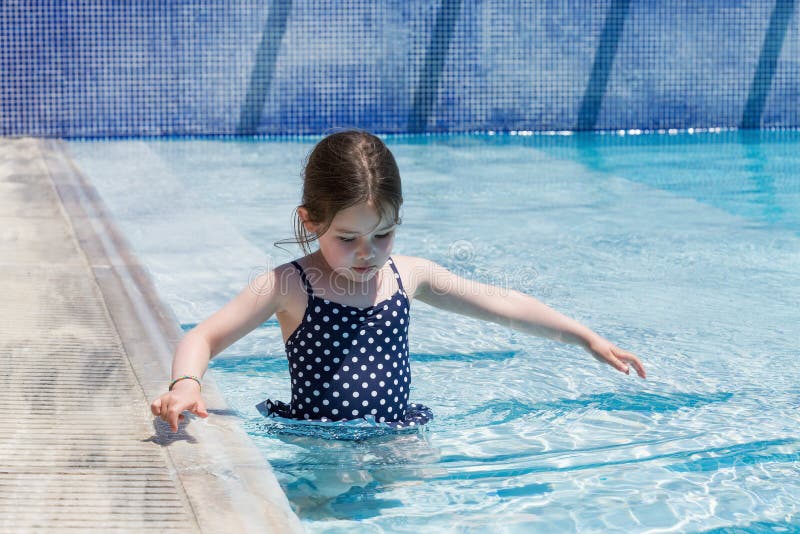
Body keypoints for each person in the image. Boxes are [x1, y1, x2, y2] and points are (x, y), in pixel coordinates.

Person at [151, 130, 646, 433]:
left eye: (383, 233)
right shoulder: (289, 285)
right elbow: (203, 336)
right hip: (318, 442)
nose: (367, 252)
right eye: (348, 238)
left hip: (398, 436)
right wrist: (187, 384)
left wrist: (585, 337)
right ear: (309, 222)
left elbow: (502, 304)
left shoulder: (410, 275)